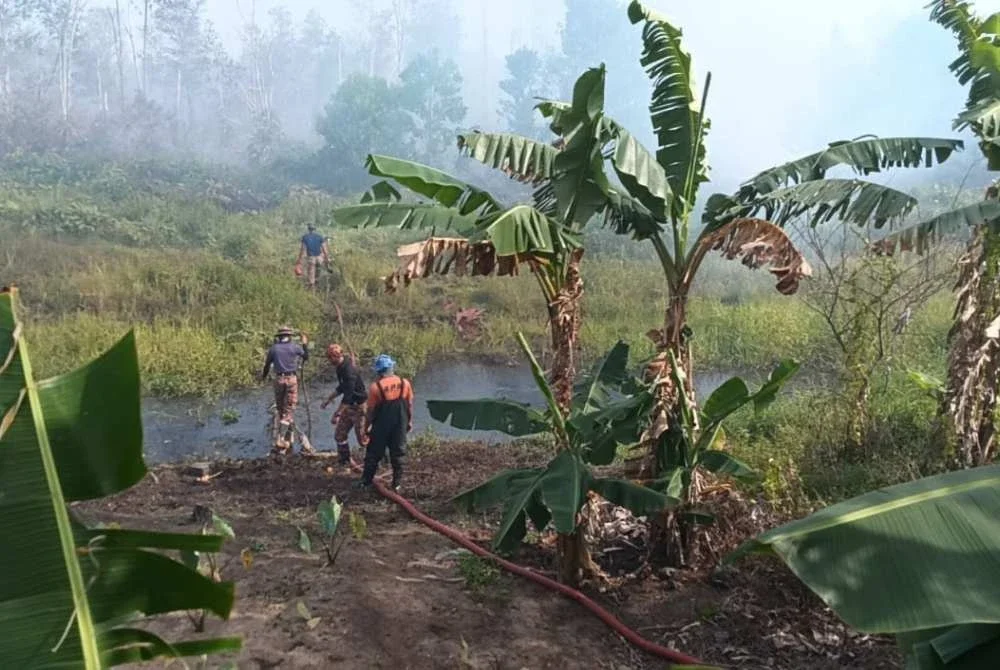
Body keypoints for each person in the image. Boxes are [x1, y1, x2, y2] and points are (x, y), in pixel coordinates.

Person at [358, 354, 412, 492]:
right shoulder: (405, 383)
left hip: (381, 425)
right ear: (391, 367)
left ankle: (366, 482)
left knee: (373, 454)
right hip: (400, 422)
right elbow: (409, 405)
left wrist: (365, 428)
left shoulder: (375, 388)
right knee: (398, 453)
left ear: (379, 371)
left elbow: (370, 411)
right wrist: (409, 422)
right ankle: (397, 484)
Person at [261, 326, 310, 454]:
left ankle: (289, 440)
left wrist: (263, 377)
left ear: (279, 337)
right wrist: (305, 343)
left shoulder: (274, 349)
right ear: (290, 336)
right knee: (288, 410)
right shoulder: (294, 347)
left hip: (279, 380)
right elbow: (306, 357)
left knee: (281, 409)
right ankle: (281, 438)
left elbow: (267, 366)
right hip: (291, 379)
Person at [320, 344, 368, 466]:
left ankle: (377, 458)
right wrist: (329, 399)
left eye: (331, 358)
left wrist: (337, 414)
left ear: (337, 356)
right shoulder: (340, 367)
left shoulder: (349, 370)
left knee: (363, 439)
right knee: (340, 435)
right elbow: (342, 387)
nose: (329, 360)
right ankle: (344, 461)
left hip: (359, 407)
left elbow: (348, 395)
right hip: (350, 406)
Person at [295, 224, 330, 289]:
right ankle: (317, 287)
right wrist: (327, 258)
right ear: (315, 229)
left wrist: (299, 260)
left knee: (311, 276)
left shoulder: (305, 237)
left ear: (308, 229)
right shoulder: (319, 237)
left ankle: (312, 291)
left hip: (311, 258)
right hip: (319, 258)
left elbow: (303, 249)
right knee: (318, 273)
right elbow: (324, 249)